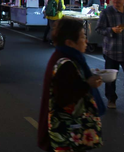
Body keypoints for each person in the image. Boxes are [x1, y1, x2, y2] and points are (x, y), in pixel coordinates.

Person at [38, 17, 104, 152]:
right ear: (69, 42)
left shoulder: (66, 57)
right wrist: (88, 84)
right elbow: (64, 98)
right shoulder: (66, 63)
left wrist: (85, 75)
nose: (86, 41)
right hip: (66, 134)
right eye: (82, 37)